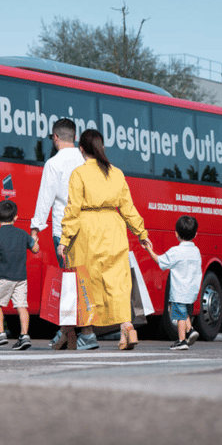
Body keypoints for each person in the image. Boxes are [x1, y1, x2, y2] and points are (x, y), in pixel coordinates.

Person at [58, 128, 152, 351]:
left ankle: (88, 335)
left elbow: (72, 210)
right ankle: (128, 329)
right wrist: (142, 233)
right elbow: (128, 207)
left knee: (87, 285)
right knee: (117, 283)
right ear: (101, 148)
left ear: (82, 150)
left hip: (87, 232)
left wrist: (64, 240)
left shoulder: (79, 174)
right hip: (115, 229)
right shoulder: (117, 173)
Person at [30, 118, 84, 350]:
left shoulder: (53, 163)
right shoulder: (86, 161)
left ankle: (69, 332)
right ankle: (69, 335)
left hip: (63, 230)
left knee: (69, 281)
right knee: (80, 280)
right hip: (86, 229)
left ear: (55, 138)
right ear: (74, 136)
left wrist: (34, 230)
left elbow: (45, 199)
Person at [0, 199, 40, 350]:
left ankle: (0, 334)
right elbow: (35, 249)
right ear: (16, 217)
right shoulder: (22, 234)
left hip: (4, 278)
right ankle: (24, 336)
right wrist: (34, 238)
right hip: (20, 278)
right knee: (22, 306)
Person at [145, 215, 202, 351]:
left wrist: (148, 250)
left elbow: (160, 261)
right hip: (192, 290)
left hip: (179, 290)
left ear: (176, 234)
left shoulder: (176, 251)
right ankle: (191, 330)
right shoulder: (196, 251)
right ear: (195, 234)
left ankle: (182, 340)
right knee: (184, 311)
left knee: (180, 315)